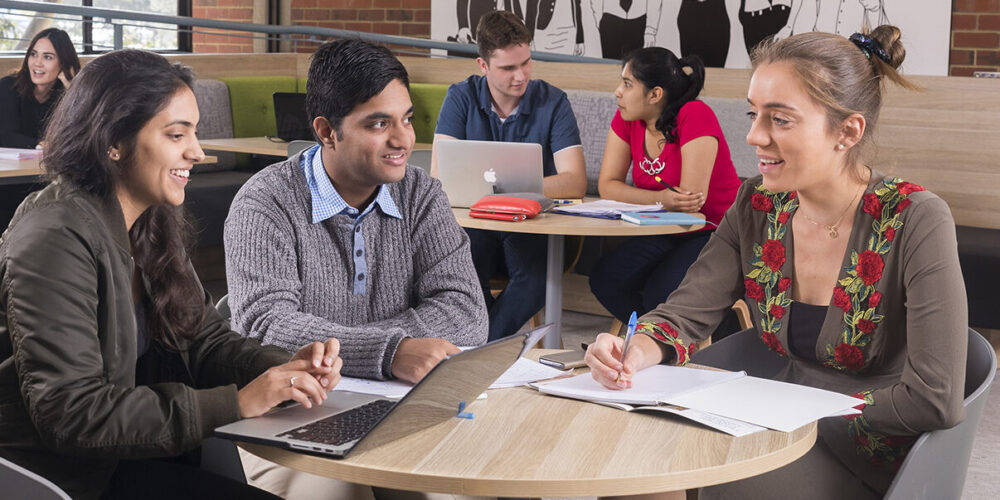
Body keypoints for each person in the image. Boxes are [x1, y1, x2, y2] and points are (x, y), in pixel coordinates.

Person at [585, 26, 966, 500]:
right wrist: (631, 355)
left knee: (683, 480)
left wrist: (794, 409)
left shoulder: (915, 218)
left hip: (865, 450)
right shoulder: (757, 205)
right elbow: (685, 313)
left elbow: (934, 398)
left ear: (847, 131)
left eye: (780, 120)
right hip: (772, 424)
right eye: (753, 114)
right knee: (624, 464)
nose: (753, 136)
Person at [0, 49, 342, 500]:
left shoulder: (149, 220)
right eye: (176, 134)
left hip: (125, 461)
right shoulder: (53, 237)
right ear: (113, 141)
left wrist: (283, 369)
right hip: (61, 481)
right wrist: (237, 404)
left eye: (194, 132)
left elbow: (205, 340)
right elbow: (73, 414)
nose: (197, 152)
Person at [224, 39, 488, 499]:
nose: (403, 140)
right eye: (378, 123)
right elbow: (265, 327)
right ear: (327, 131)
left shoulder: (421, 194)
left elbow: (467, 313)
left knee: (459, 487)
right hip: (293, 418)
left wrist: (357, 346)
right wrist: (390, 352)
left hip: (406, 409)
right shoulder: (264, 203)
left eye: (406, 119)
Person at [432, 10, 587, 341]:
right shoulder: (460, 97)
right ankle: (480, 349)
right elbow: (440, 175)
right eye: (508, 68)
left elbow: (574, 181)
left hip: (532, 225)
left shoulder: (554, 101)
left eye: (526, 63)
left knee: (535, 280)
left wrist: (499, 189)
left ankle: (475, 351)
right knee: (459, 272)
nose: (521, 75)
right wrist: (515, 187)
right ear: (483, 66)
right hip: (477, 222)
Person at [588, 47, 741, 325]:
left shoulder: (695, 114)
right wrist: (660, 199)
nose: (617, 92)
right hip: (661, 227)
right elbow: (608, 186)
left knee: (661, 292)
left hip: (711, 230)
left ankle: (672, 344)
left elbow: (690, 201)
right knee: (605, 279)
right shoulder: (627, 120)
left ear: (655, 94)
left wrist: (661, 201)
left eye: (627, 84)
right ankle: (660, 343)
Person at [0, 28, 80, 149]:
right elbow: (7, 137)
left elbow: (81, 135)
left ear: (64, 64)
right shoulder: (8, 87)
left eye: (47, 57)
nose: (37, 63)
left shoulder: (66, 93)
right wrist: (41, 145)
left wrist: (72, 91)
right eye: (33, 54)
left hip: (51, 164)